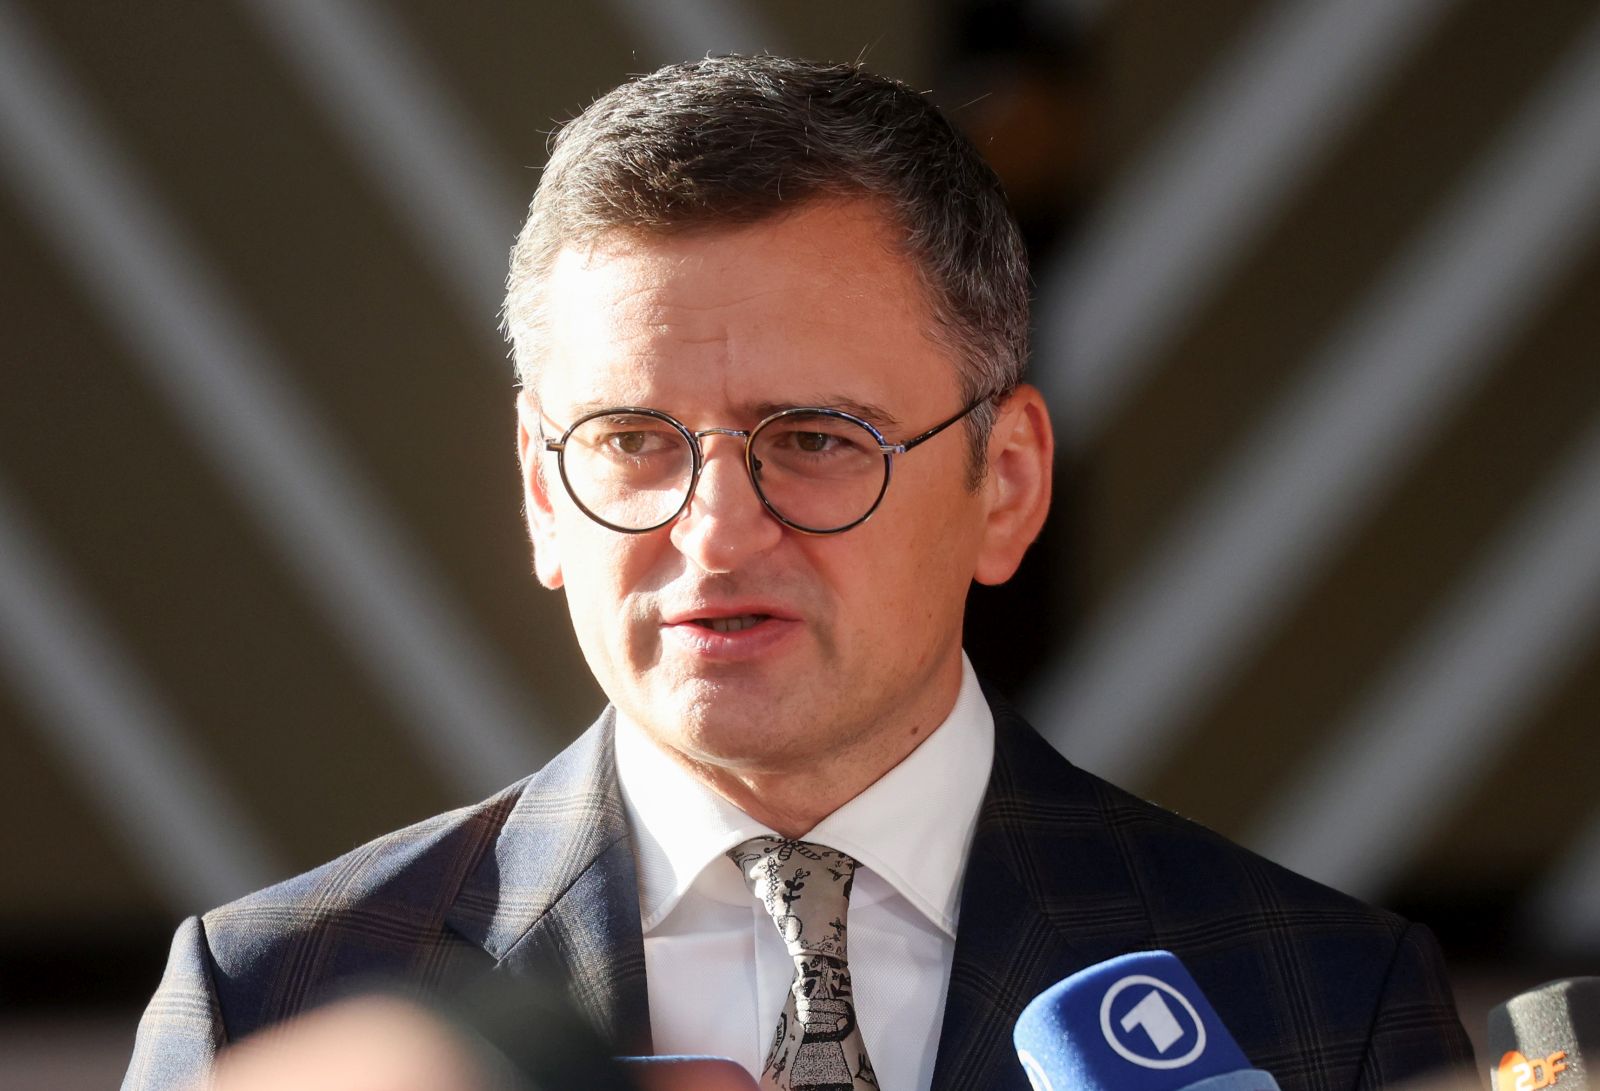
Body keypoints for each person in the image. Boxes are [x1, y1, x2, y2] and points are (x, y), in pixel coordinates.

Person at [124, 55, 1474, 1091]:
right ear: (544, 492)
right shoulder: (286, 1002)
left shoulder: (1318, 1002)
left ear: (1004, 483)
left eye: (816, 440)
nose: (716, 532)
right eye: (634, 442)